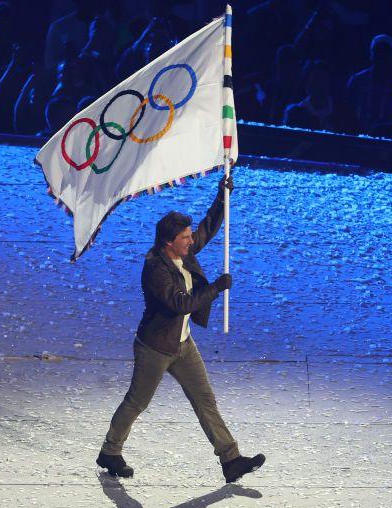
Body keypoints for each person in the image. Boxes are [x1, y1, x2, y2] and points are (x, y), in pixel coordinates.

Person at [97, 168, 266, 484]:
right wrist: (215, 287)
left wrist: (222, 196)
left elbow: (208, 228)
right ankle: (110, 451)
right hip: (156, 348)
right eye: (185, 238)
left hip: (183, 345)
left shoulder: (183, 253)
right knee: (137, 402)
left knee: (205, 401)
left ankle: (230, 460)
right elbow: (181, 304)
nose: (191, 241)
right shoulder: (155, 269)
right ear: (168, 242)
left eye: (190, 237)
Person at [346, 34, 392, 135]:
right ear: (371, 54)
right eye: (378, 51)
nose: (382, 55)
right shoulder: (357, 80)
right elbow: (348, 110)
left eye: (386, 52)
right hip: (359, 135)